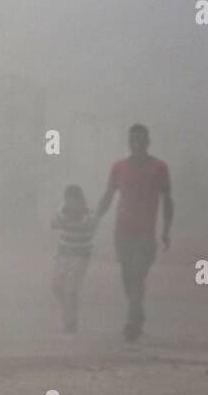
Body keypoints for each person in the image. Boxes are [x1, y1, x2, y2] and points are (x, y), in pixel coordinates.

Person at [94, 124, 173, 342]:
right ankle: (137, 313)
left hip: (146, 234)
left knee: (138, 276)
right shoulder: (119, 167)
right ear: (129, 143)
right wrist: (96, 218)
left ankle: (132, 320)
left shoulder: (159, 168)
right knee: (128, 276)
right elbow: (108, 195)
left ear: (148, 142)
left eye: (140, 139)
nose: (136, 143)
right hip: (122, 232)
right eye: (133, 140)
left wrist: (166, 230)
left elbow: (167, 200)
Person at [50, 184, 97, 333]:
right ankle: (68, 311)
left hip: (81, 256)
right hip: (63, 254)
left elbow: (88, 226)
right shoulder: (63, 210)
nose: (70, 203)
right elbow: (53, 224)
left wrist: (75, 215)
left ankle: (71, 322)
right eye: (68, 200)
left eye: (73, 200)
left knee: (71, 290)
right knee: (57, 287)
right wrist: (65, 215)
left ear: (80, 200)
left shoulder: (89, 214)